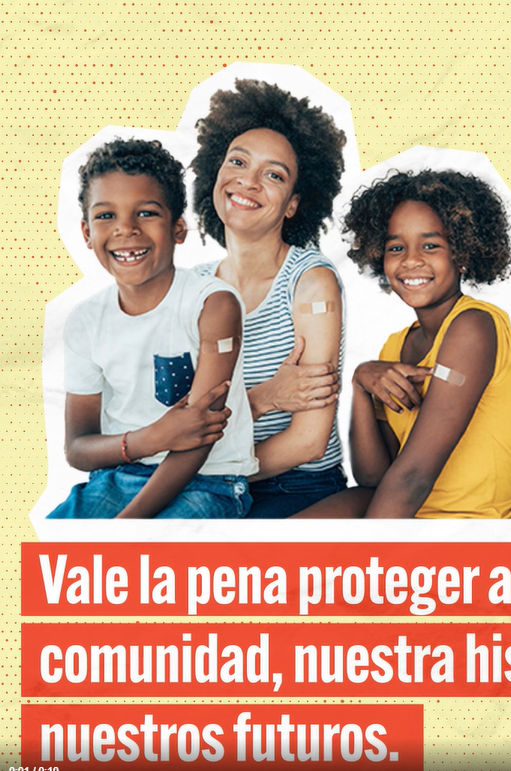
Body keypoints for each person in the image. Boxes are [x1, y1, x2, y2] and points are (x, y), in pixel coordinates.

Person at [300, 170, 511, 519]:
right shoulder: (394, 347)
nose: (411, 260)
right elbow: (374, 475)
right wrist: (361, 383)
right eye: (396, 247)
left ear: (463, 251)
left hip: (469, 522)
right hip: (410, 508)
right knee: (271, 550)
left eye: (430, 245)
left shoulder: (473, 327)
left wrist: (364, 570)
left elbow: (413, 478)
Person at [48, 139, 257, 519]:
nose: (126, 230)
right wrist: (150, 439)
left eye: (145, 213)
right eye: (106, 216)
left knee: (137, 567)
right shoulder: (85, 321)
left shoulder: (213, 305)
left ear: (178, 229)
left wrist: (125, 527)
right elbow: (77, 448)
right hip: (118, 476)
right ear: (86, 233)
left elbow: (200, 434)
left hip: (209, 481)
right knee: (48, 562)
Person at [191, 79, 349, 517]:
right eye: (237, 162)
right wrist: (266, 396)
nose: (249, 181)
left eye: (273, 174)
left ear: (294, 204)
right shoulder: (192, 288)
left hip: (295, 487)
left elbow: (308, 441)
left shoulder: (312, 284)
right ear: (215, 174)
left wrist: (201, 467)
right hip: (206, 480)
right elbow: (174, 421)